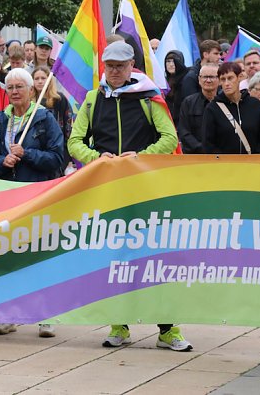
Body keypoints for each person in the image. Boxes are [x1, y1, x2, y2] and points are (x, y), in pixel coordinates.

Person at [68, 41, 188, 351]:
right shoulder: (93, 100)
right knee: (114, 258)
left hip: (147, 191)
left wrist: (141, 157)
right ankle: (119, 325)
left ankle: (168, 329)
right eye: (110, 65)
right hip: (110, 191)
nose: (115, 71)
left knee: (155, 259)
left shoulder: (149, 97)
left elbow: (169, 137)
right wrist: (97, 158)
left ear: (132, 64)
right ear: (104, 66)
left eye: (121, 65)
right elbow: (75, 142)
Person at [0, 68, 65, 337]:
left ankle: (46, 315)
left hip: (37, 195)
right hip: (7, 196)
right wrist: (1, 163)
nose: (15, 91)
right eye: (11, 87)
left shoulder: (44, 119)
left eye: (20, 86)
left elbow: (57, 158)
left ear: (32, 91)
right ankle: (9, 314)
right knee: (9, 257)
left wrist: (27, 153)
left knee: (40, 255)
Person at [203, 62, 260, 155]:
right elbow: (208, 143)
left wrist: (256, 159)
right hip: (225, 166)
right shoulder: (212, 108)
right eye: (223, 79)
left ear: (239, 77)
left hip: (253, 165)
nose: (226, 83)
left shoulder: (255, 105)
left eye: (230, 78)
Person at [32, 66, 71, 163]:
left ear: (49, 80)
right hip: (35, 149)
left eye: (43, 78)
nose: (40, 81)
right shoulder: (28, 102)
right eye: (36, 79)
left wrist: (67, 149)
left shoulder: (59, 99)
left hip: (57, 146)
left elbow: (68, 124)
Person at [178, 63, 219, 153]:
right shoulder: (188, 102)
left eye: (212, 77)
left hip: (221, 158)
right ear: (199, 79)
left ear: (219, 79)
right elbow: (184, 131)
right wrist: (202, 149)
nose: (208, 80)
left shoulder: (225, 103)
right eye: (205, 77)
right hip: (194, 158)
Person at [164, 50, 187, 124]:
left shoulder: (186, 80)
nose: (171, 64)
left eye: (174, 61)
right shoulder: (162, 82)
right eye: (168, 61)